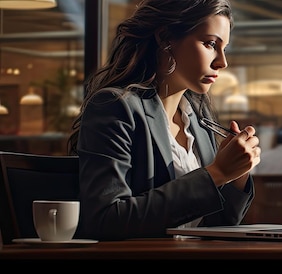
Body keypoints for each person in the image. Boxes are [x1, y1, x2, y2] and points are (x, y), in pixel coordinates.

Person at [67, 0, 261, 241]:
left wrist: (236, 175)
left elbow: (217, 225)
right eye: (210, 44)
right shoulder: (114, 107)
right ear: (165, 37)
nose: (222, 62)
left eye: (224, 48)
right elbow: (105, 220)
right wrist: (217, 173)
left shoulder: (199, 122)